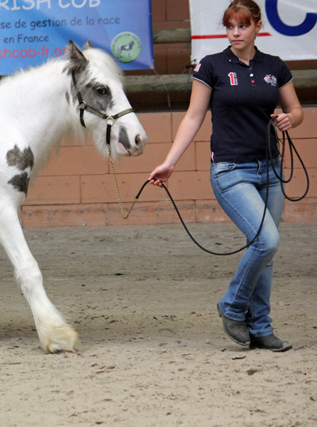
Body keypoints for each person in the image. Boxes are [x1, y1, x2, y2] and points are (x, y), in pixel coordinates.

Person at [148, 0, 303, 352]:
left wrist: (290, 119)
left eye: (242, 26)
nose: (234, 33)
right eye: (230, 26)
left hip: (271, 170)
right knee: (267, 241)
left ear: (257, 27)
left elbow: (296, 110)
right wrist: (170, 162)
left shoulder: (274, 67)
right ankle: (232, 305)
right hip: (230, 170)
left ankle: (260, 326)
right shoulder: (212, 66)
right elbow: (192, 117)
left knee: (265, 251)